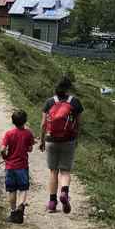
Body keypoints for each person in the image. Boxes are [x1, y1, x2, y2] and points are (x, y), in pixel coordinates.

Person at [39, 76, 84, 214]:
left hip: (51, 140)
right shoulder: (75, 102)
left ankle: (52, 203)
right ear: (68, 88)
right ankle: (64, 192)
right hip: (68, 140)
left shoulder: (49, 102)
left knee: (53, 171)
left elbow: (43, 124)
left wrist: (42, 140)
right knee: (65, 171)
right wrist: (76, 139)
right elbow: (78, 124)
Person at [0, 109, 34, 224]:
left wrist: (5, 157)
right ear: (25, 121)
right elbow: (30, 149)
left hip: (10, 166)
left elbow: (2, 149)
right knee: (23, 188)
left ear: (13, 121)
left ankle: (13, 212)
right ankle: (21, 207)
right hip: (22, 166)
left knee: (11, 190)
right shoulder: (28, 133)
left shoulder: (9, 134)